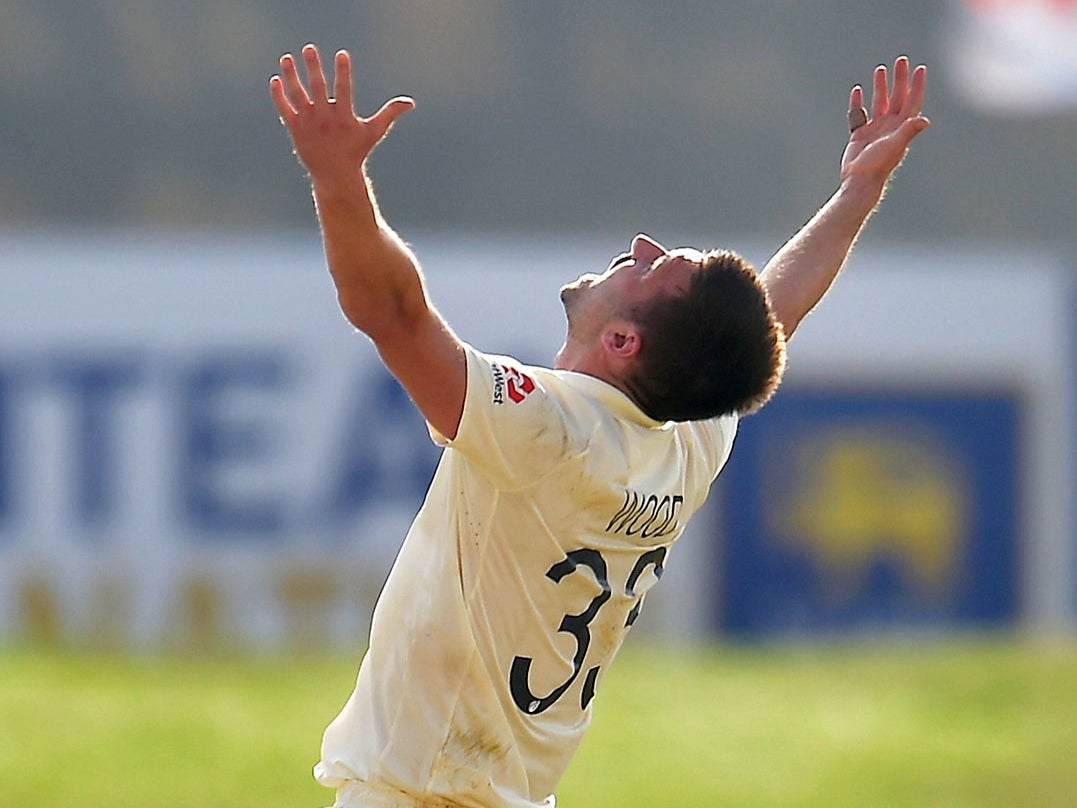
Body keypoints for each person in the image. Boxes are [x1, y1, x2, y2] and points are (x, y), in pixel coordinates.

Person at [270, 44, 929, 808]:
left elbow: (393, 315)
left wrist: (336, 177)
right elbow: (773, 314)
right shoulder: (685, 438)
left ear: (622, 342)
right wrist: (855, 191)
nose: (641, 247)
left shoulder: (547, 431)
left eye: (653, 269)